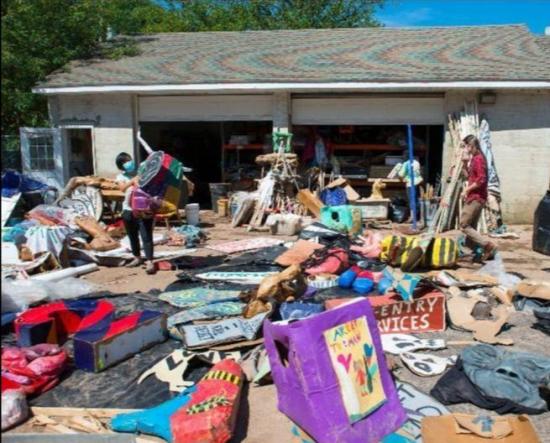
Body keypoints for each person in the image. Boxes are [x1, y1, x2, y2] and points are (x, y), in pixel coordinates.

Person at [115, 152, 156, 274]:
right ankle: (137, 257)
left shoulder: (142, 173)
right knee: (132, 235)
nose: (129, 162)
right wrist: (132, 181)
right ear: (121, 165)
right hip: (127, 209)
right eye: (125, 161)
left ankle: (149, 261)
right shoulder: (120, 177)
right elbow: (122, 188)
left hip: (143, 209)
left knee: (146, 235)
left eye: (130, 160)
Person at [459, 135, 497, 261]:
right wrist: (464, 163)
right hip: (475, 197)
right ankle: (471, 254)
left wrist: (466, 190)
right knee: (471, 227)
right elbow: (468, 176)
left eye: (465, 146)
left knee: (464, 225)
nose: (464, 149)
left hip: (476, 197)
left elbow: (481, 180)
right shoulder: (474, 158)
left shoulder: (479, 159)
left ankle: (487, 245)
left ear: (471, 146)